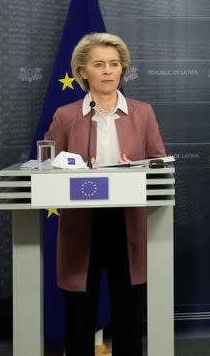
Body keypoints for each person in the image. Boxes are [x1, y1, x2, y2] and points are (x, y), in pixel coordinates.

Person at [45, 33, 166, 356]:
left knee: (128, 312)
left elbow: (159, 164)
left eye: (114, 64)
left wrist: (138, 167)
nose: (108, 71)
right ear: (83, 71)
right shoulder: (66, 115)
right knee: (79, 312)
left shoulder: (143, 113)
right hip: (81, 223)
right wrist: (72, 166)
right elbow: (45, 164)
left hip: (127, 223)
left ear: (123, 70)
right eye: (99, 65)